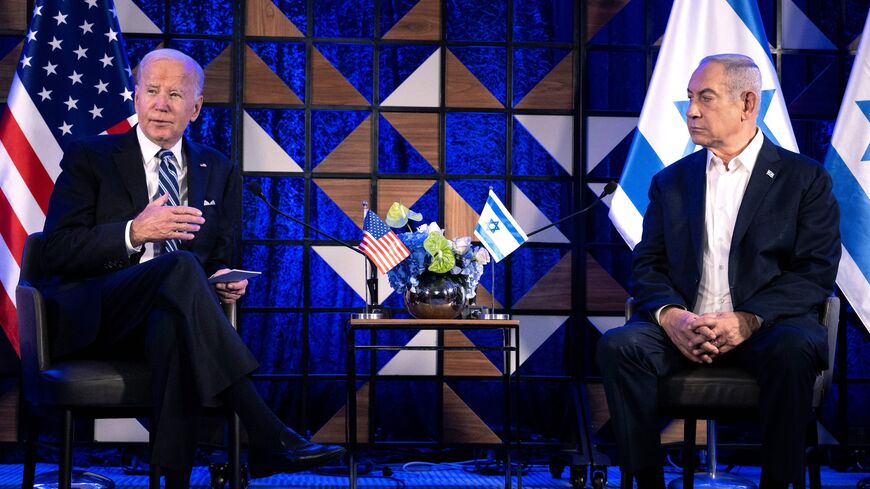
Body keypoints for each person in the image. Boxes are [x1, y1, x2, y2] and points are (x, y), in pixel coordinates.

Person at [38, 48, 344, 488]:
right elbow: (56, 251)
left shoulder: (217, 167)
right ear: (136, 97)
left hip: (174, 314)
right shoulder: (90, 157)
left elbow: (218, 254)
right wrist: (134, 233)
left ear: (195, 107)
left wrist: (223, 280)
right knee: (180, 267)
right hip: (101, 312)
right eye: (152, 91)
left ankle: (172, 481)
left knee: (172, 323)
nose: (162, 104)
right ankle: (267, 432)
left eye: (176, 94)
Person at [596, 54, 840, 489]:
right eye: (690, 98)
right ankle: (645, 482)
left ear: (748, 104)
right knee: (620, 346)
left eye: (705, 98)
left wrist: (746, 319)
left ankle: (779, 484)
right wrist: (673, 317)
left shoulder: (804, 179)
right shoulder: (671, 181)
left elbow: (814, 273)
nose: (691, 110)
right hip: (687, 324)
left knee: (795, 348)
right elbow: (648, 265)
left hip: (768, 327)